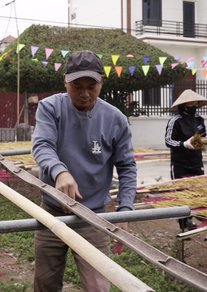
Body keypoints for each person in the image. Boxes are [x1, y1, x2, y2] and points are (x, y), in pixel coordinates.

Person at [32, 50, 137, 292]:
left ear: (102, 82)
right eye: (77, 86)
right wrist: (60, 172)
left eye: (92, 86)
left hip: (94, 216)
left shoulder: (116, 119)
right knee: (45, 283)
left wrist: (125, 212)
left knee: (98, 286)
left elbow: (127, 167)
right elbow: (42, 145)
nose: (85, 93)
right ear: (65, 80)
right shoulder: (50, 108)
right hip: (52, 212)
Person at [165, 89, 207, 231]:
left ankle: (194, 216)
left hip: (196, 162)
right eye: (192, 103)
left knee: (197, 191)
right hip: (180, 163)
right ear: (185, 105)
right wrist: (183, 144)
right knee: (182, 193)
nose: (195, 105)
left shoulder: (199, 120)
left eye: (196, 103)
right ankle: (184, 223)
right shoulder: (175, 121)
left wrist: (200, 141)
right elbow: (168, 140)